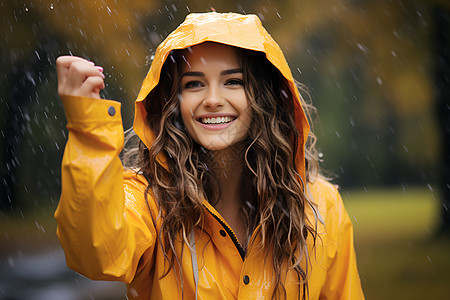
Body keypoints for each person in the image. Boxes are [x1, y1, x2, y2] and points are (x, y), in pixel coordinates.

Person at [55, 12, 364, 299]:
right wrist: (88, 129)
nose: (213, 100)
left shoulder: (320, 207)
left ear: (263, 96)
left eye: (233, 82)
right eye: (194, 84)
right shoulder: (149, 201)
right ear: (173, 102)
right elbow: (96, 254)